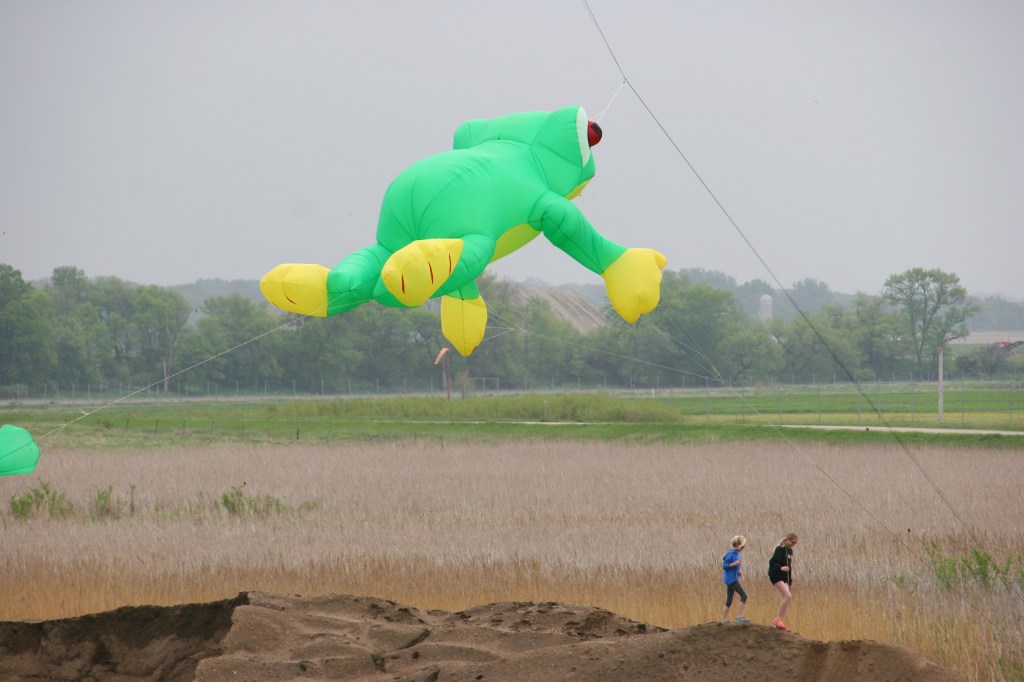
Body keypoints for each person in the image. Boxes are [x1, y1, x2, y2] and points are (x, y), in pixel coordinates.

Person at [768, 532, 798, 631]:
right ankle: (777, 620)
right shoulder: (780, 549)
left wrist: (789, 582)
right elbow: (772, 562)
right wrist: (781, 568)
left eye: (795, 543)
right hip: (775, 574)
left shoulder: (790, 551)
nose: (794, 545)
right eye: (793, 542)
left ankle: (780, 622)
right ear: (788, 540)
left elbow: (789, 567)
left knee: (788, 598)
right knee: (788, 596)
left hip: (784, 577)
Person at [721, 535, 749, 623]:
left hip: (733, 578)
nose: (743, 548)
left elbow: (738, 565)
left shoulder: (738, 553)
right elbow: (724, 566)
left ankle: (724, 619)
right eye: (742, 546)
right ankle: (739, 616)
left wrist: (739, 570)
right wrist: (735, 563)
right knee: (744, 596)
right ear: (737, 545)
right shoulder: (730, 554)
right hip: (731, 580)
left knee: (729, 599)